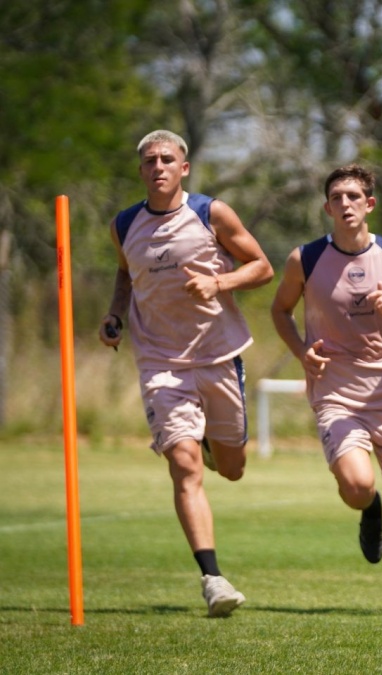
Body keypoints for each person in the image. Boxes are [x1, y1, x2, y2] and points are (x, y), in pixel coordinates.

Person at [99, 129, 274, 617]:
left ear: (184, 167)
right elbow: (125, 272)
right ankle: (213, 578)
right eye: (149, 160)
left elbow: (262, 267)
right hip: (161, 365)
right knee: (183, 463)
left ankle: (214, 445)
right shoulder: (124, 224)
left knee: (232, 469)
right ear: (141, 170)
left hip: (218, 357)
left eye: (166, 159)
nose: (158, 167)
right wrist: (114, 315)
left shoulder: (210, 214)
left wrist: (219, 282)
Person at [270, 164, 382, 614]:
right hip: (336, 393)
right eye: (336, 198)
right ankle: (369, 506)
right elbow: (280, 310)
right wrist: (302, 352)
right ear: (327, 208)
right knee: (358, 486)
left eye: (353, 196)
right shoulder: (305, 259)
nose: (345, 204)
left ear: (370, 204)